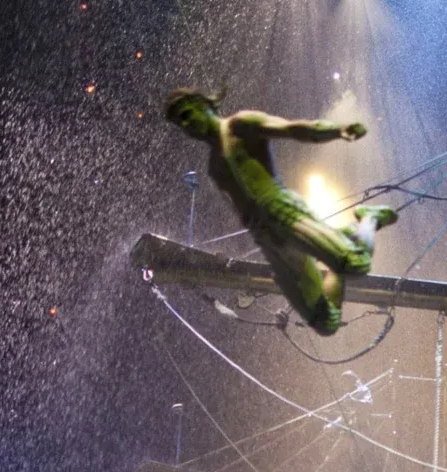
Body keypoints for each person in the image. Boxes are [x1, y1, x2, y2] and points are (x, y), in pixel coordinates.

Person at [163, 88, 395, 337]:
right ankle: (344, 236)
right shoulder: (214, 166)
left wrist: (336, 130)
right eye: (180, 123)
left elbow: (292, 128)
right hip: (266, 238)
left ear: (203, 104)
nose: (187, 125)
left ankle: (369, 217)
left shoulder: (239, 125)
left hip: (284, 214)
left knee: (357, 263)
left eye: (187, 115)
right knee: (325, 323)